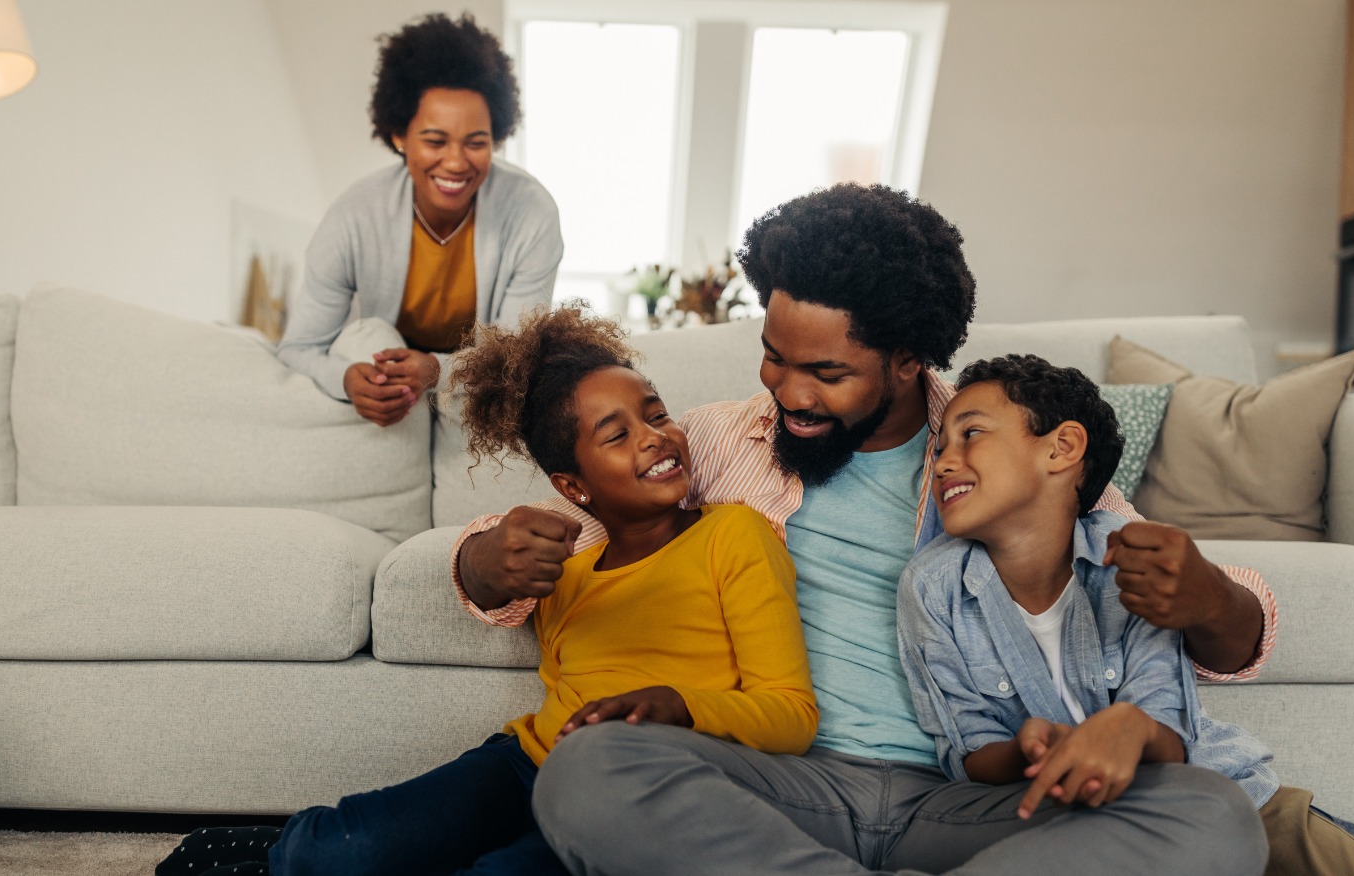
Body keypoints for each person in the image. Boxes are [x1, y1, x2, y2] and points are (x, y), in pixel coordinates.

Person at [449, 184, 1281, 875]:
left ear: (909, 361)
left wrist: (1204, 594)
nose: (788, 391)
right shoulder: (716, 441)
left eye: (827, 373)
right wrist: (490, 559)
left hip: (969, 804)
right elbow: (555, 531)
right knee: (586, 770)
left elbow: (1224, 626)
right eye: (775, 355)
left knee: (1209, 815)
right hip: (775, 792)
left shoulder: (995, 458)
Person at [157, 307, 816, 876]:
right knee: (341, 851)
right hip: (525, 761)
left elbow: (791, 715)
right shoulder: (565, 565)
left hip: (635, 789)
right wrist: (484, 557)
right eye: (617, 435)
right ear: (575, 486)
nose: (654, 437)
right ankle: (283, 856)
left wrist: (678, 704)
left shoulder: (733, 532)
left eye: (656, 414)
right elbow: (485, 571)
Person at [898, 353, 1354, 876]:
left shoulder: (1131, 566)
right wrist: (1025, 752)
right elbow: (967, 746)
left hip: (1217, 793)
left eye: (971, 435)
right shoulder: (932, 586)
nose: (941, 462)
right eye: (940, 446)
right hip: (1060, 823)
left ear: (1062, 448)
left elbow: (1169, 733)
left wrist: (1130, 728)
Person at [277, 12, 563, 427]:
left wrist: (436, 370)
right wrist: (344, 380)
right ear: (398, 136)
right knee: (368, 340)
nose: (455, 162)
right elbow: (297, 348)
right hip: (386, 365)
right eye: (435, 140)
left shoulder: (531, 213)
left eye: (476, 143)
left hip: (479, 386)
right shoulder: (354, 216)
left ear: (496, 138)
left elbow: (515, 358)